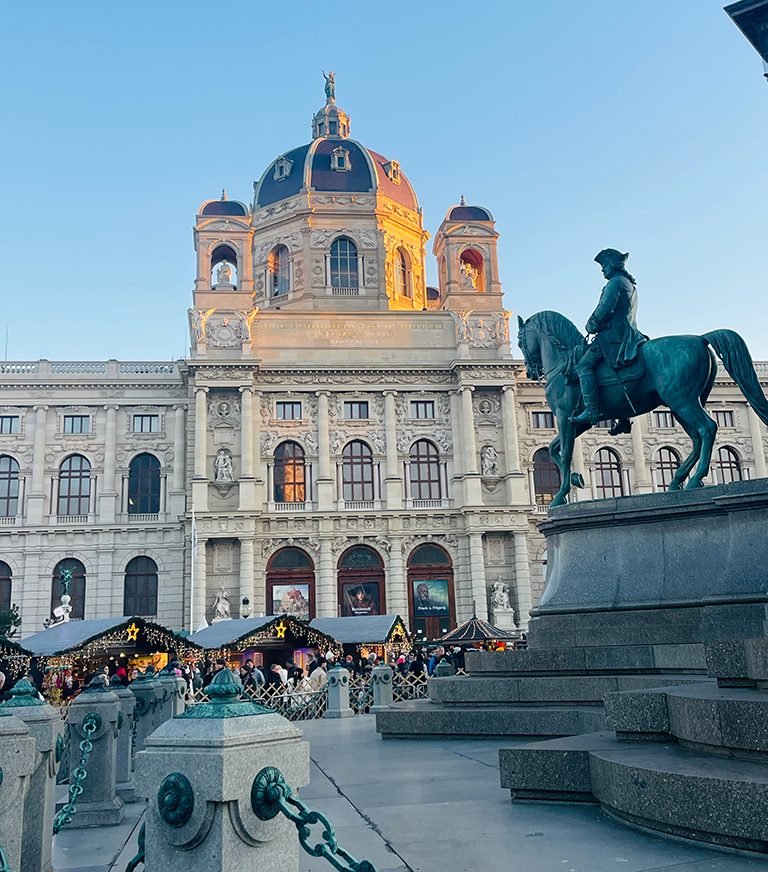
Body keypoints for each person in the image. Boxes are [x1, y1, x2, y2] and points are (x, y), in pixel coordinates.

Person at [570, 249, 647, 426]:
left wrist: (591, 325)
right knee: (613, 370)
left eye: (604, 266)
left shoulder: (615, 283)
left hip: (613, 336)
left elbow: (605, 310)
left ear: (613, 265)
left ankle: (590, 411)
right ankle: (623, 417)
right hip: (630, 334)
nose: (602, 270)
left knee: (583, 367)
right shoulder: (629, 283)